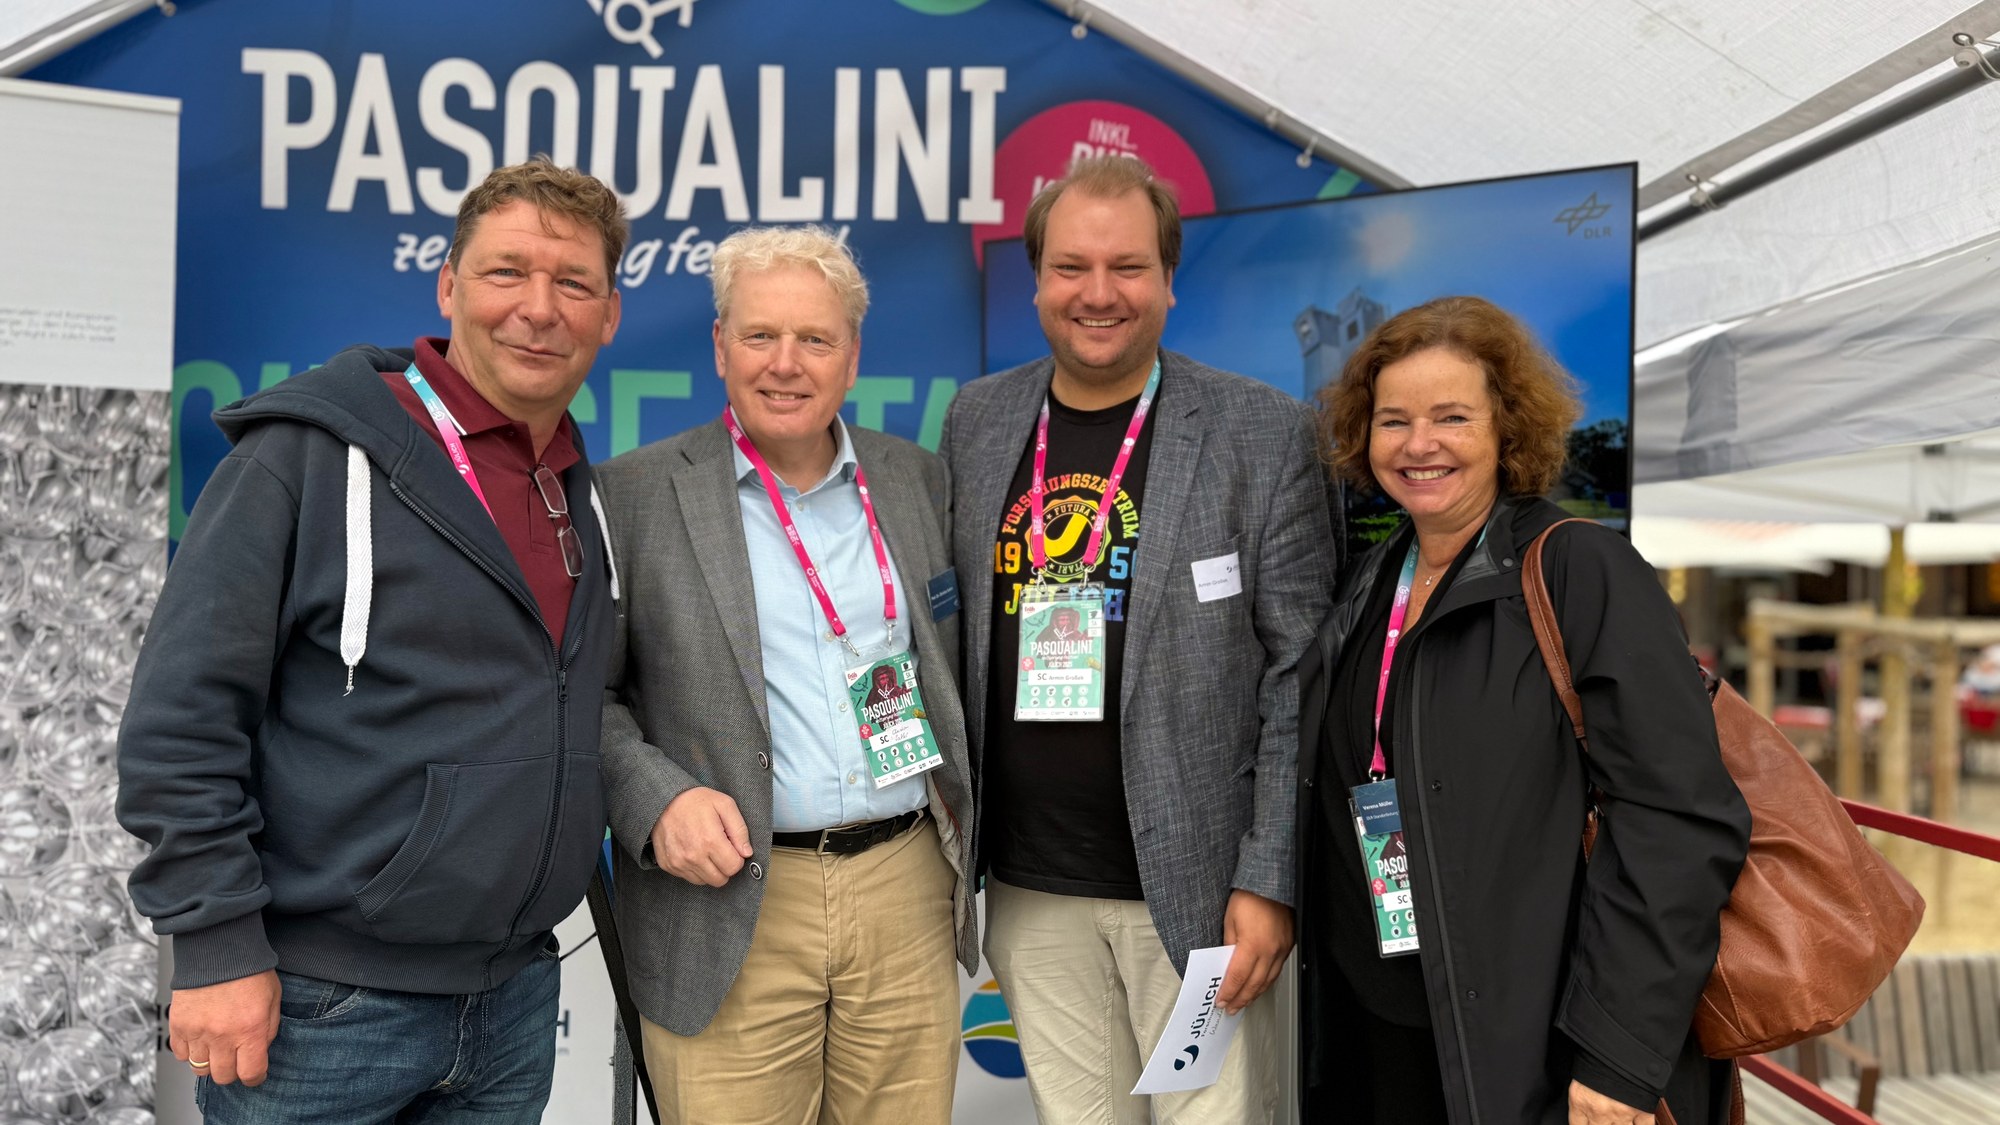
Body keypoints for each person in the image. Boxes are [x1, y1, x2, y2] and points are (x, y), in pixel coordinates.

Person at [116, 157, 626, 1122]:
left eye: (573, 283)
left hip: (515, 1000)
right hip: (323, 1008)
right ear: (448, 285)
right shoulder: (304, 458)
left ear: (609, 315)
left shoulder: (572, 485)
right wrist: (215, 943)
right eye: (506, 271)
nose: (538, 307)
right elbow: (180, 720)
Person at [940, 154, 1335, 1124]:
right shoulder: (979, 419)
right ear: (1036, 282)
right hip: (1030, 883)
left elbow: (1298, 674)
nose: (1098, 293)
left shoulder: (1261, 431)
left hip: (1202, 894)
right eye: (1071, 267)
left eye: (1127, 267)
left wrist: (1268, 880)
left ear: (1167, 280)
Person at [1295, 295, 1752, 1124]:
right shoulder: (1370, 581)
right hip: (1383, 1033)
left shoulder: (1583, 571)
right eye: (1394, 420)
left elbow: (1678, 821)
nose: (1419, 444)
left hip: (1539, 1049)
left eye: (1452, 417)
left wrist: (1617, 1056)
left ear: (1507, 427)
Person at [597, 225, 977, 1124]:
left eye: (815, 338)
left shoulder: (917, 480)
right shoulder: (632, 495)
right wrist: (655, 799)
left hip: (904, 885)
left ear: (853, 356)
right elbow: (584, 697)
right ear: (719, 346)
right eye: (760, 334)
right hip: (728, 900)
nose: (786, 363)